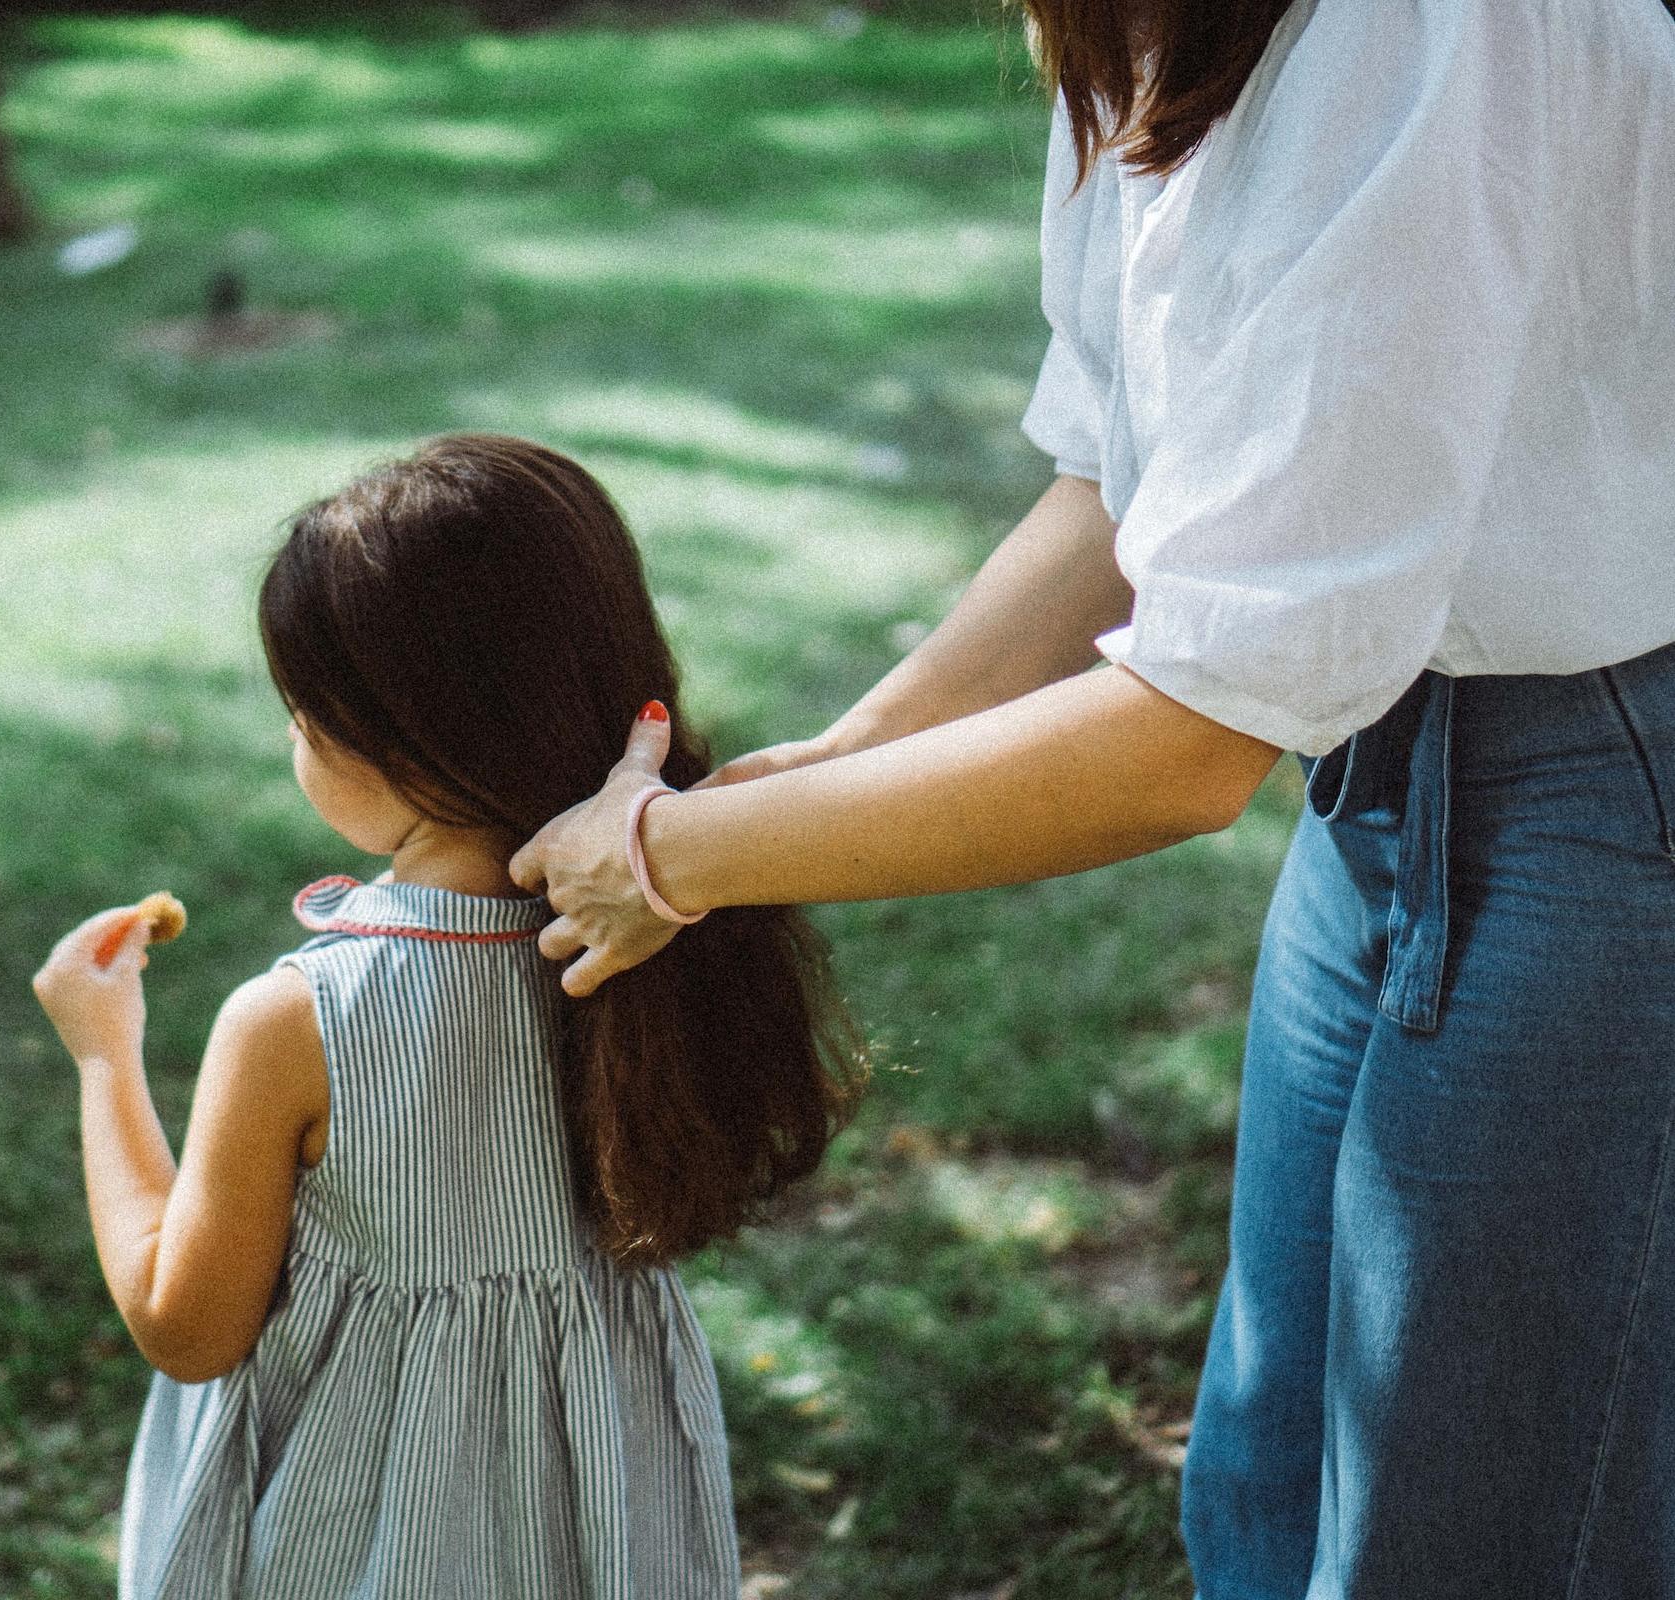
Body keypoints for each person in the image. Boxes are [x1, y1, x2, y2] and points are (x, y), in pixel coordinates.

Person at [510, 2, 1675, 1595]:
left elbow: (1192, 740)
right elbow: (1127, 483)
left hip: (1609, 790)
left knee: (1467, 1538)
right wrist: (854, 749)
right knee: (1265, 1491)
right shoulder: (1143, 25)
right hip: (1389, 776)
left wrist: (684, 856)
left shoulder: (1427, 29)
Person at [31, 435, 864, 1600]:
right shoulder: (671, 928)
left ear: (392, 743)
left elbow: (187, 1326)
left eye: (301, 715)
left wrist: (102, 1058)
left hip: (356, 1530)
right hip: (597, 1518)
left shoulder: (296, 1022)